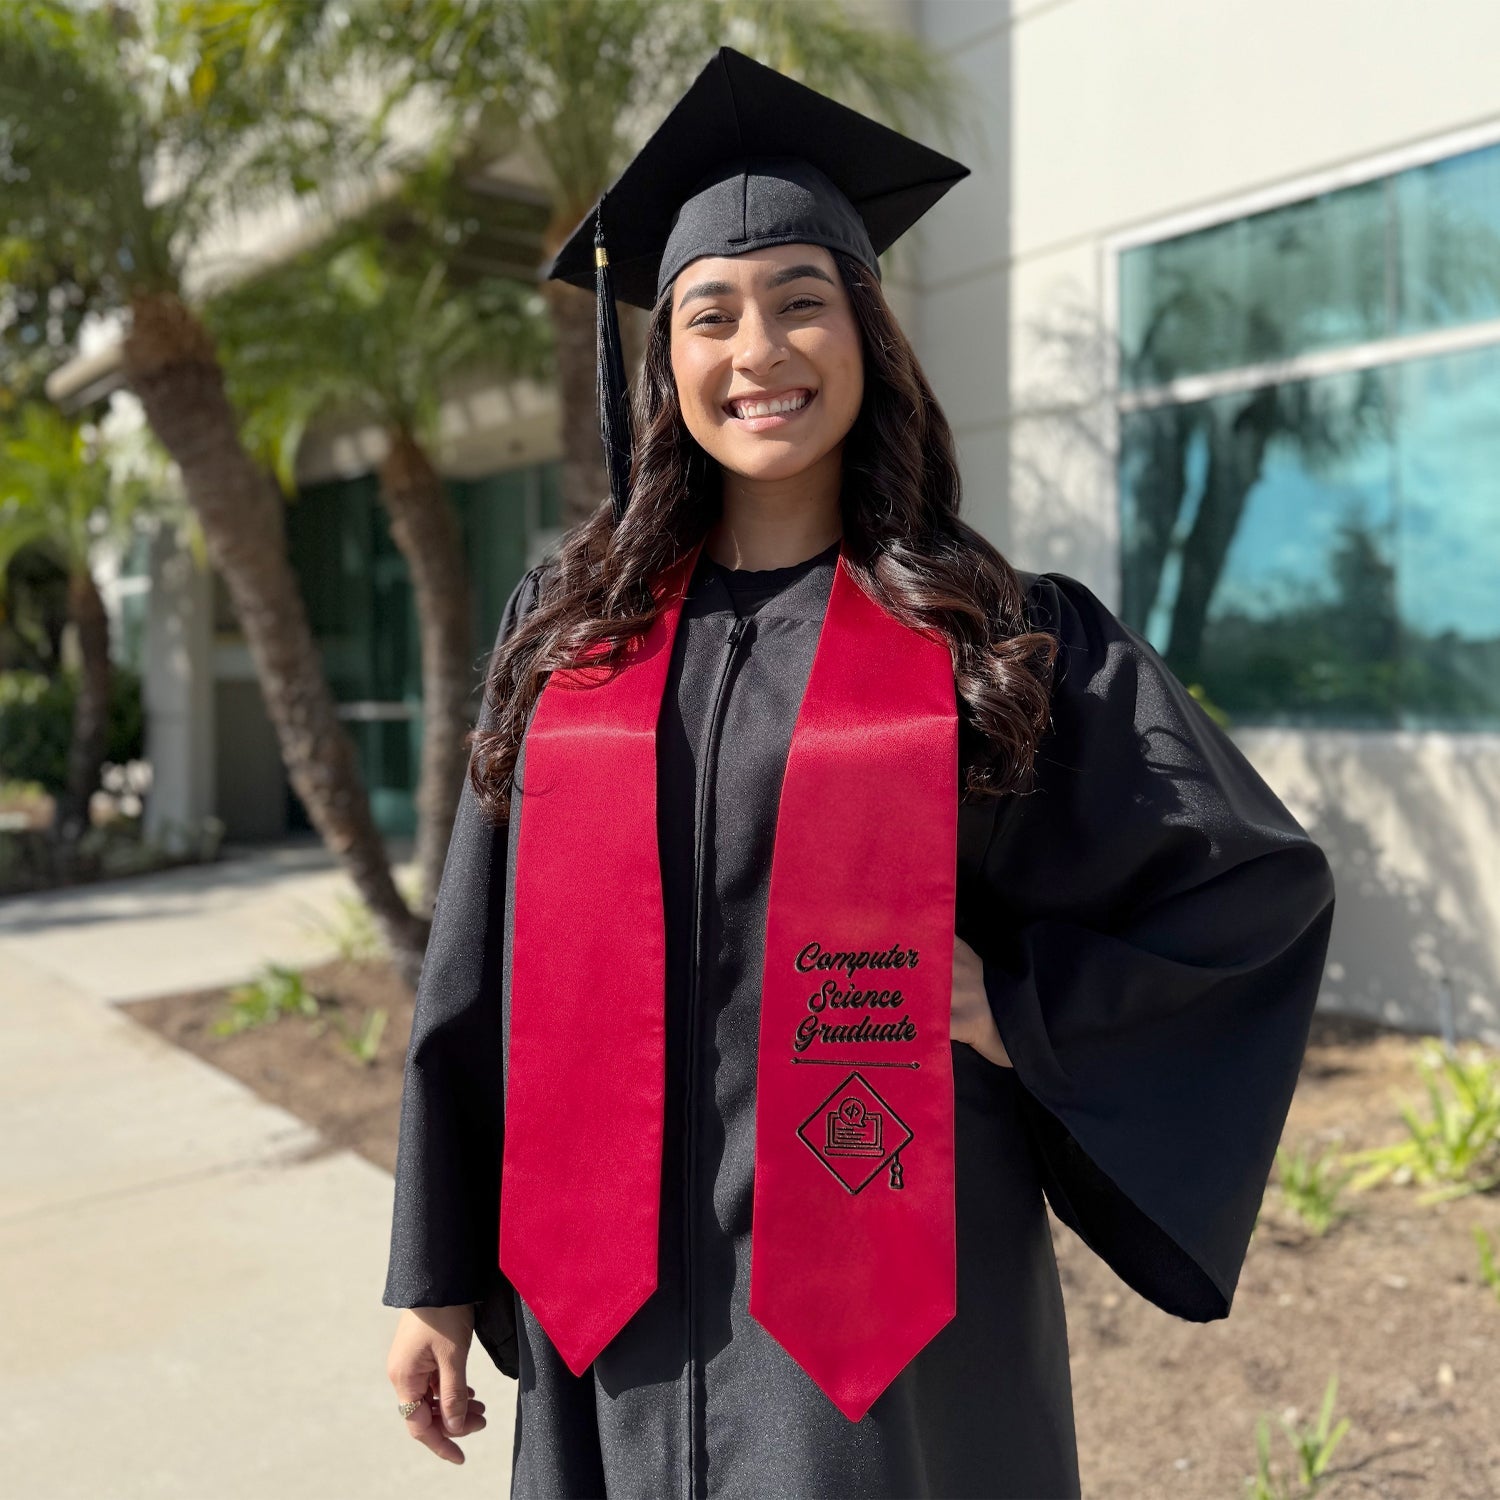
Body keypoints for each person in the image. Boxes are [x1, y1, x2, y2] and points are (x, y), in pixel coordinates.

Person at [382, 47, 1336, 1500]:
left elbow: (1247, 898)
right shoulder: (571, 641)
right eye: (711, 315)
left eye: (800, 303)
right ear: (667, 365)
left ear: (866, 338)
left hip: (886, 1337)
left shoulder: (1001, 637)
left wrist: (1017, 1008)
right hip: (611, 1317)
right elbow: (477, 971)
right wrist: (435, 1272)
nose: (758, 349)